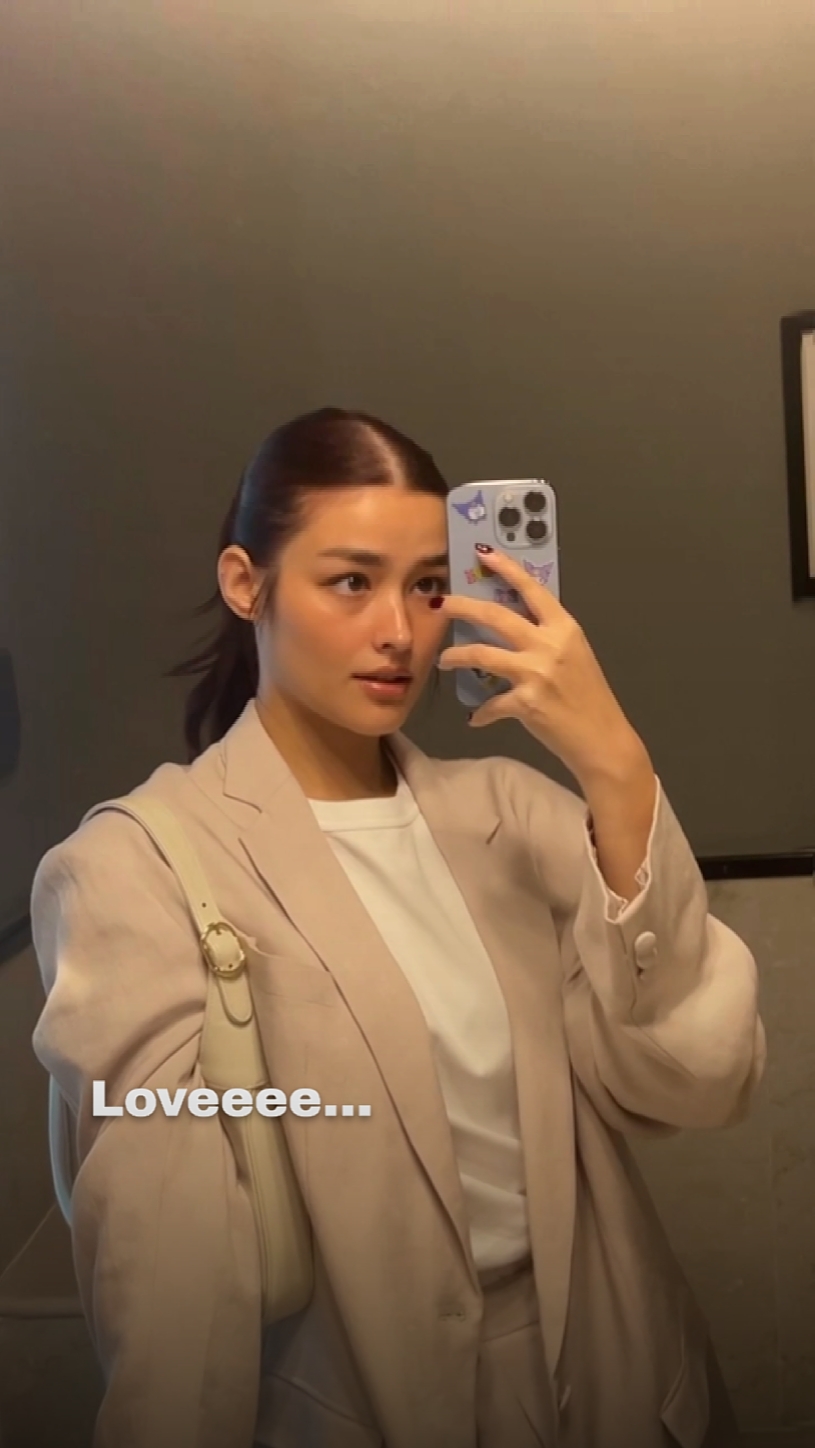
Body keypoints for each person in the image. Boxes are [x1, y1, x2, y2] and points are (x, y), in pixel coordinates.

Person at [30, 406, 764, 1448]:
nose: (400, 631)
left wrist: (614, 762)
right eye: (350, 580)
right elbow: (171, 1285)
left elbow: (696, 1080)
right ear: (245, 583)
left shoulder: (512, 813)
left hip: (614, 1365)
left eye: (427, 585)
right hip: (352, 1397)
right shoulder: (130, 870)